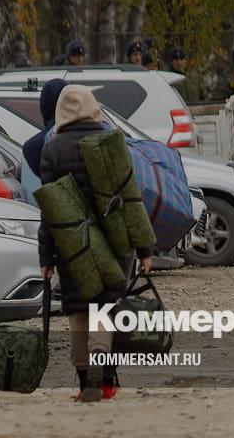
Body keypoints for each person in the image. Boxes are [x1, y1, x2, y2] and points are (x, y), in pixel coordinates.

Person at [38, 85, 154, 402]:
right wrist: (145, 250)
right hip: (115, 245)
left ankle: (84, 383)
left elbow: (50, 210)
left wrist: (45, 257)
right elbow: (131, 199)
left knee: (78, 313)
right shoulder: (112, 143)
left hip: (72, 246)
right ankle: (103, 379)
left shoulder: (52, 151)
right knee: (104, 310)